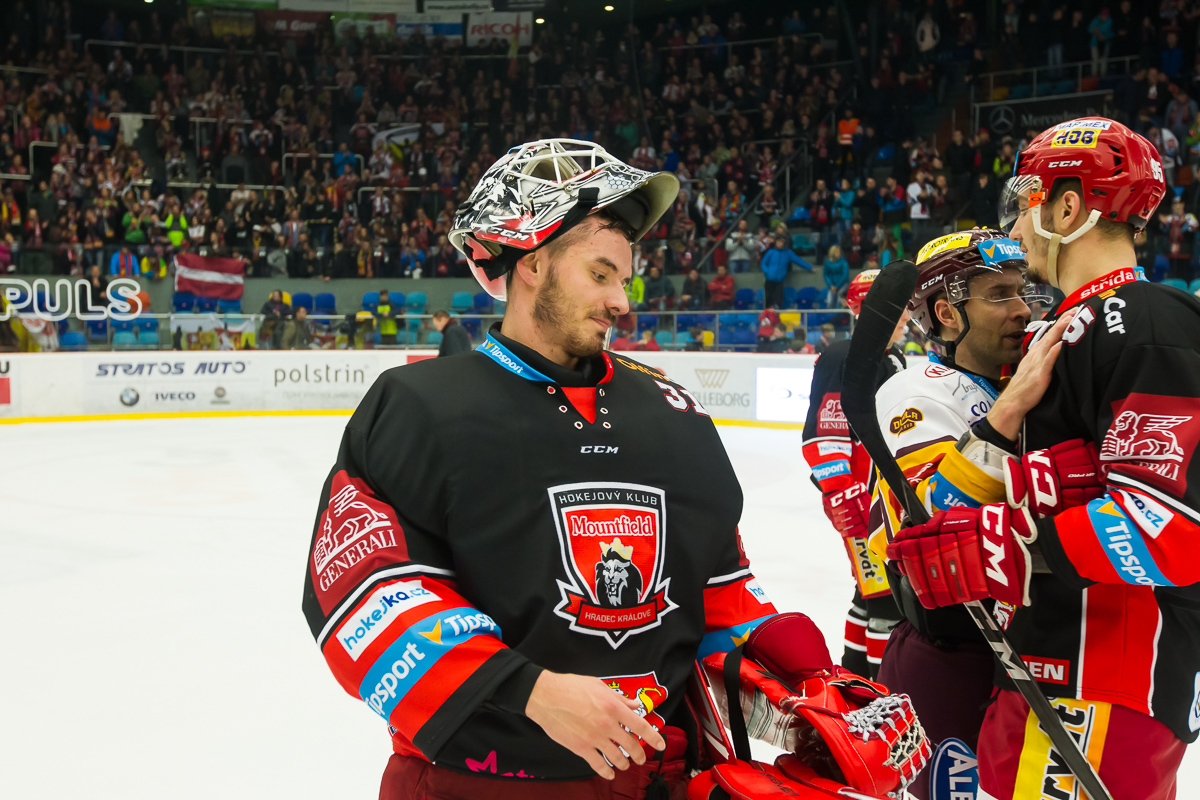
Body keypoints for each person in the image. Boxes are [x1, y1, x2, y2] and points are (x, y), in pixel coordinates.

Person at [302, 139, 784, 798]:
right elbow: (362, 591)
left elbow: (721, 593)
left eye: (624, 280)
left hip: (653, 781)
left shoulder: (675, 412)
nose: (621, 301)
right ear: (531, 261)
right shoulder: (418, 406)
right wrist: (529, 691)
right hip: (473, 785)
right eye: (600, 274)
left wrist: (797, 690)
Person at [894, 117, 1200, 800]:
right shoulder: (1064, 329)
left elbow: (1166, 528)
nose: (1018, 227)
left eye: (1027, 202)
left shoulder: (1145, 320)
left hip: (1106, 687)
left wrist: (1001, 548)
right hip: (1041, 667)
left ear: (1067, 208)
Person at [866, 230, 1052, 799]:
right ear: (947, 313)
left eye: (1022, 291)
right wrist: (1006, 414)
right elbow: (934, 518)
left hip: (1016, 647)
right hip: (947, 654)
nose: (1022, 309)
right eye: (998, 294)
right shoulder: (915, 392)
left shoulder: (1007, 377)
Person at [801, 269, 908, 679]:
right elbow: (824, 432)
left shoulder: (892, 357)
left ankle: (855, 674)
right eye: (897, 306)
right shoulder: (843, 355)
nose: (905, 315)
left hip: (883, 498)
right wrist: (841, 491)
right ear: (870, 307)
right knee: (886, 598)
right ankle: (883, 689)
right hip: (860, 502)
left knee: (868, 592)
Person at [760, 235, 812, 309]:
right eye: (778, 242)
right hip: (769, 280)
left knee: (778, 302)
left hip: (779, 282)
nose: (779, 243)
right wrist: (767, 272)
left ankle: (776, 315)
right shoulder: (771, 252)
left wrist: (810, 267)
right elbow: (763, 263)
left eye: (781, 242)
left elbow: (798, 260)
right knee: (768, 302)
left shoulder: (788, 253)